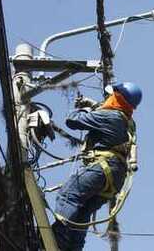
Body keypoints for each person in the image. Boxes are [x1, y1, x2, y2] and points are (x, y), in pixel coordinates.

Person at [51, 82, 142, 251]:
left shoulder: (110, 116)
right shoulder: (127, 122)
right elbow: (107, 112)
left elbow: (72, 120)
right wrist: (93, 104)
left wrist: (83, 109)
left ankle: (56, 240)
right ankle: (73, 248)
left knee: (67, 196)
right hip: (116, 177)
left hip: (102, 167)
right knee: (82, 213)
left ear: (117, 97)